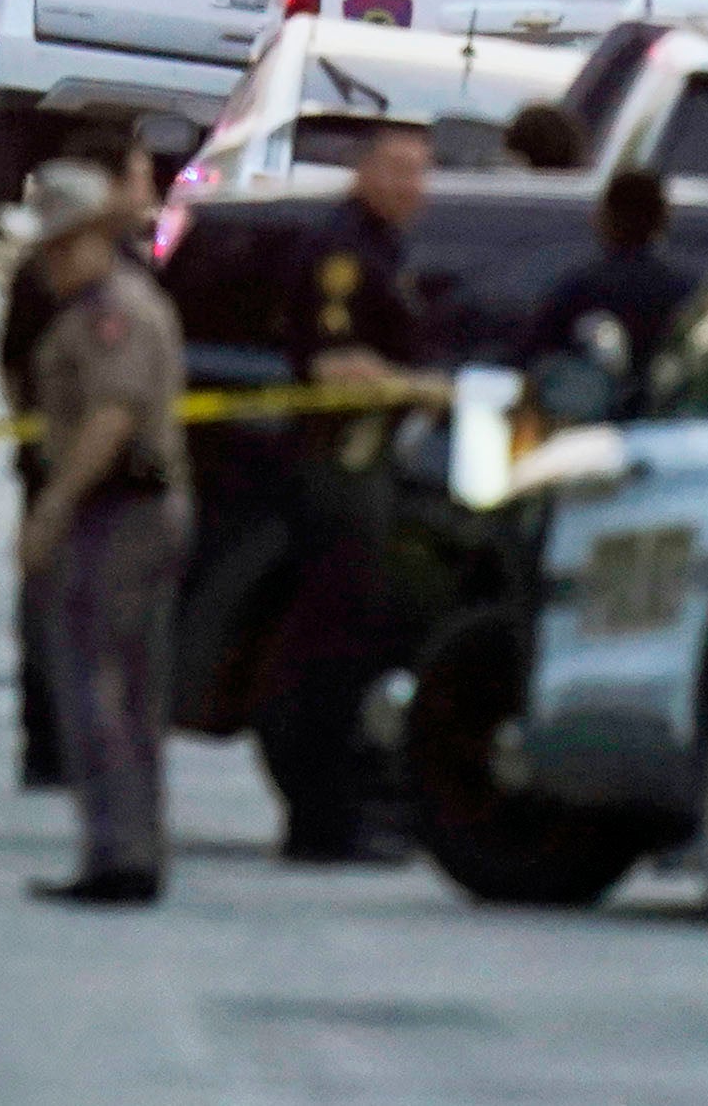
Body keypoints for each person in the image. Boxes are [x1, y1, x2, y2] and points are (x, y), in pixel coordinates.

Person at [6, 159, 192, 906]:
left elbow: (111, 418)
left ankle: (119, 851)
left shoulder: (110, 314)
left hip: (120, 514)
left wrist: (53, 505)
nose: (44, 262)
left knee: (97, 686)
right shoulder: (103, 306)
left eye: (54, 245)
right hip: (131, 511)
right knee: (128, 689)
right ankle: (128, 847)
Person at [255, 120, 435, 863]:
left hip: (365, 471)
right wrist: (430, 389)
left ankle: (331, 815)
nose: (407, 186)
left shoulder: (382, 248)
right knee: (329, 655)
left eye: (418, 173)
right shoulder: (342, 253)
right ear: (362, 170)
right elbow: (333, 368)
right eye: (394, 169)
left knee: (349, 650)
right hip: (338, 472)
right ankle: (320, 824)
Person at [0, 120, 161, 792]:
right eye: (142, 172)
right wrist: (46, 452)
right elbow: (18, 367)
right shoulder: (71, 275)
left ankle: (74, 747)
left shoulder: (122, 268)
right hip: (72, 465)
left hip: (107, 473)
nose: (150, 186)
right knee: (57, 611)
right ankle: (54, 743)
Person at [520, 167, 689, 374]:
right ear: (662, 220)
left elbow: (531, 351)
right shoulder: (684, 292)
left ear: (605, 219)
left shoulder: (581, 288)